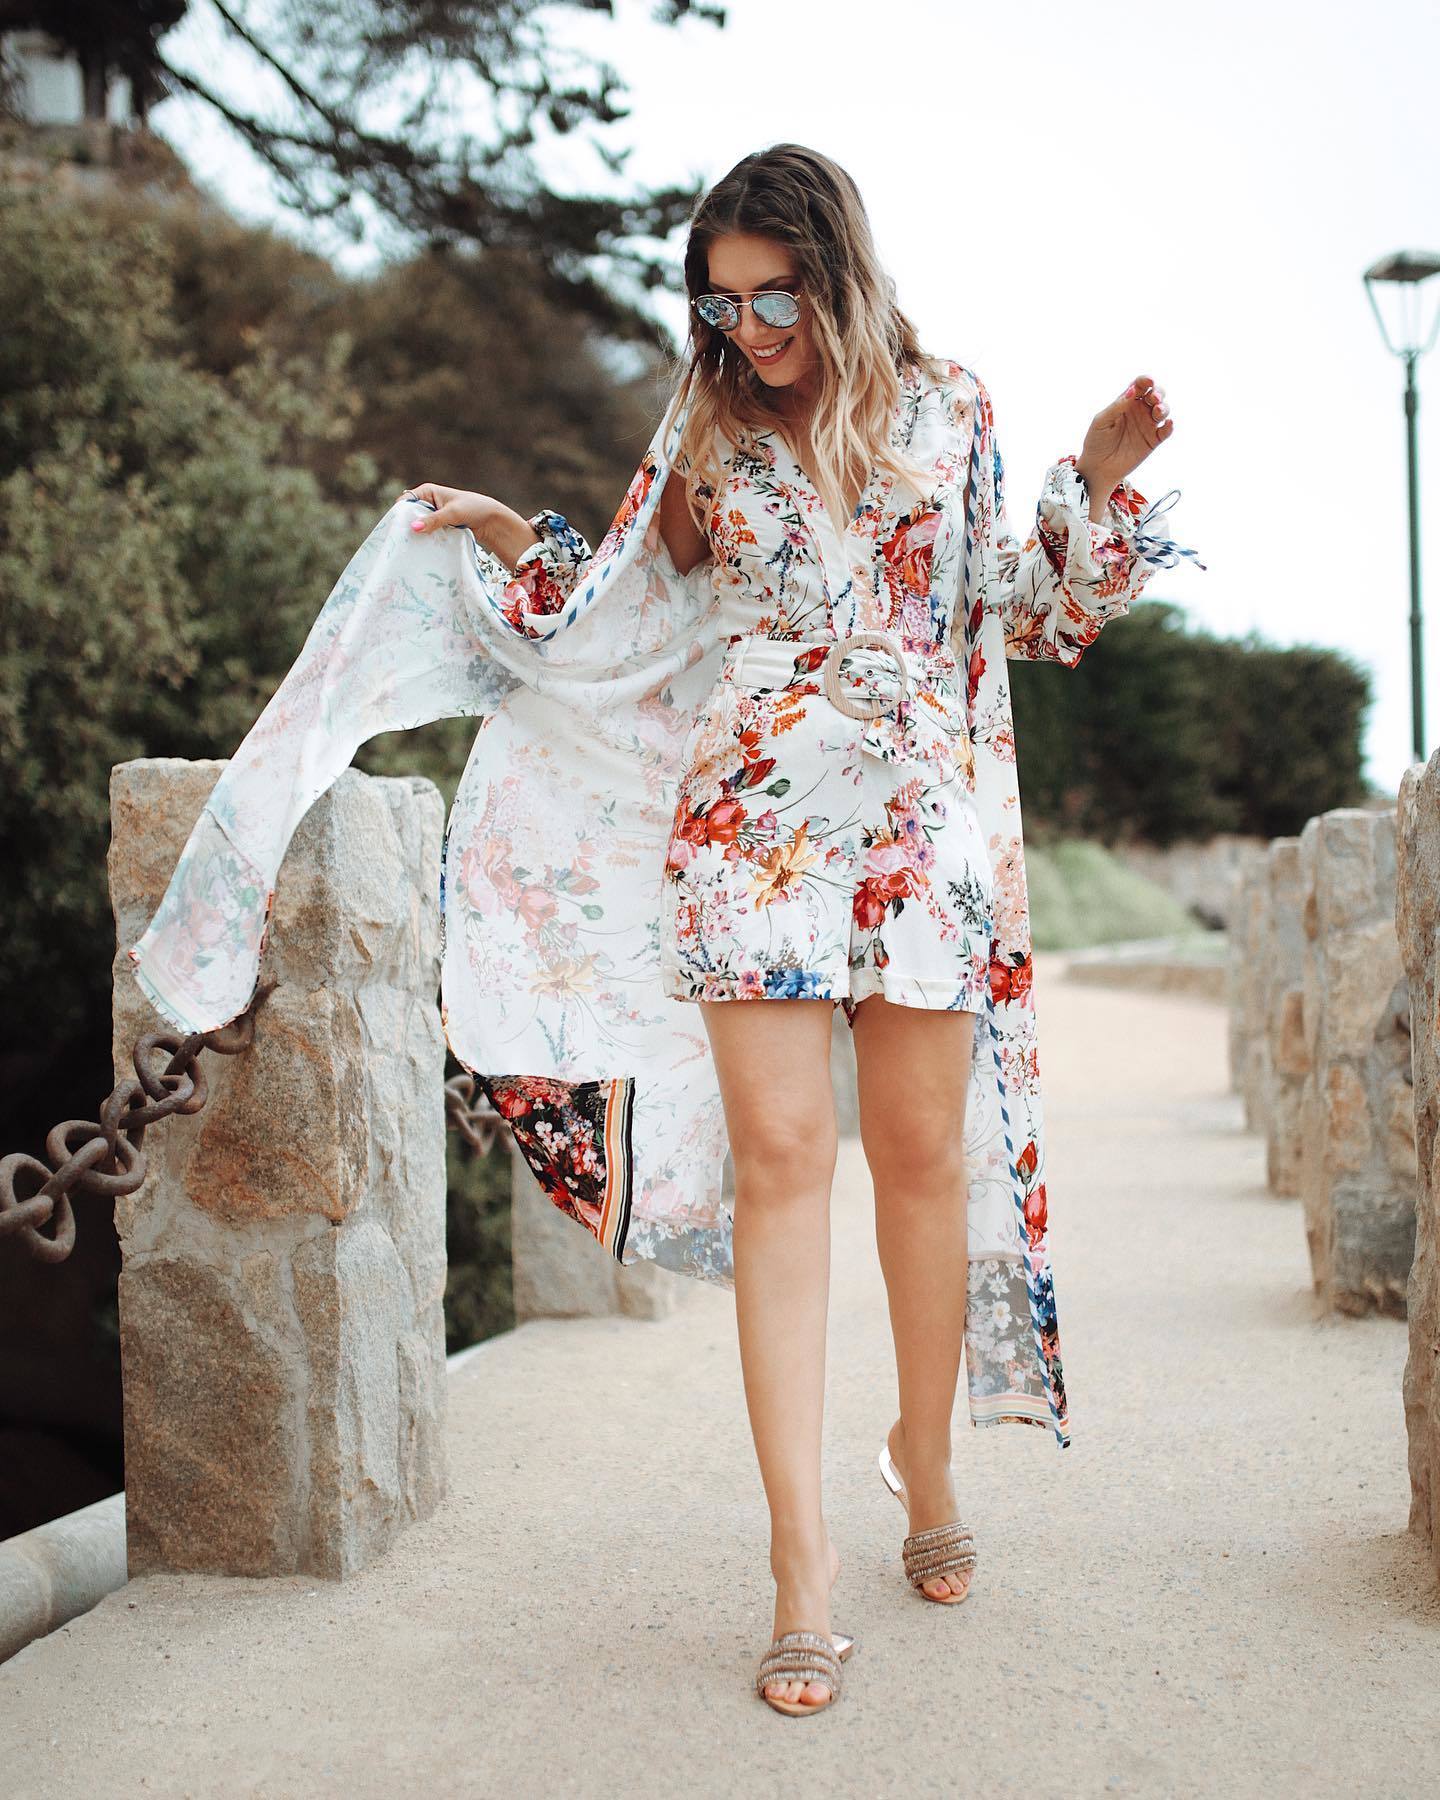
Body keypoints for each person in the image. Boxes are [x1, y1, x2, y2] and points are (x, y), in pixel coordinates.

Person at [128, 143, 1202, 1721]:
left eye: (776, 297)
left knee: (919, 1156)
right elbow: (620, 615)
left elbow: (1031, 617)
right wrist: (511, 537)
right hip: (748, 818)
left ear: (840, 273)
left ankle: (926, 1462)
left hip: (918, 823)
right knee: (785, 1162)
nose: (750, 328)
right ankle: (799, 1570)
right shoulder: (708, 424)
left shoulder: (950, 408)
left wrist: (1097, 482)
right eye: (722, 301)